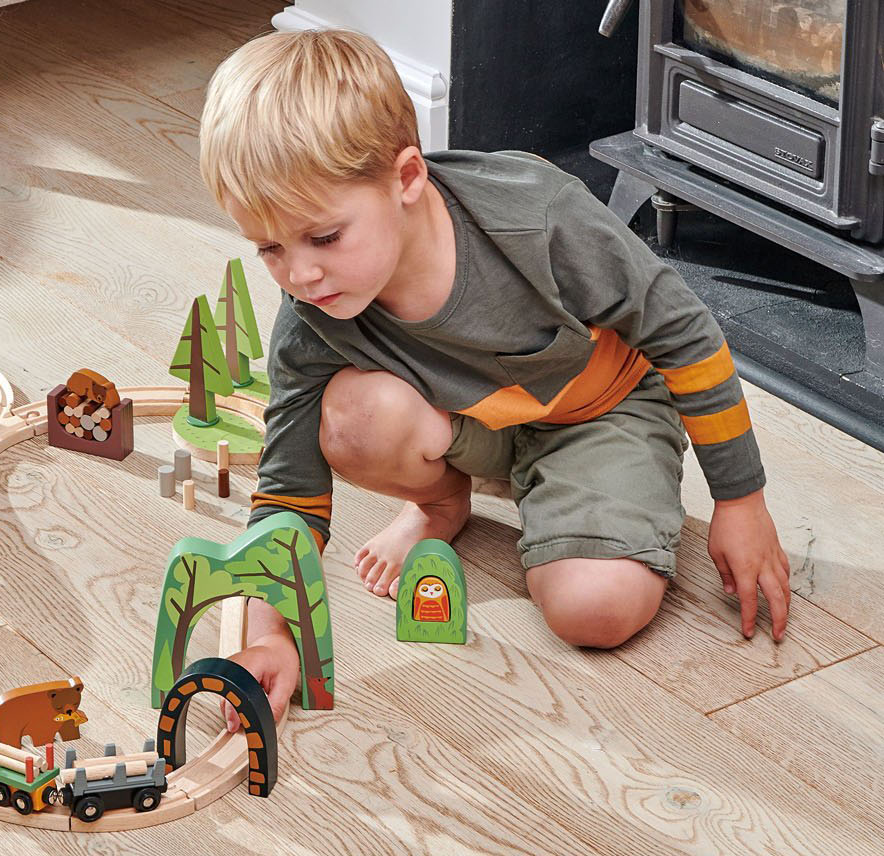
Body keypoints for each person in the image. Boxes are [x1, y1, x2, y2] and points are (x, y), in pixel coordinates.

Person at [197, 29, 793, 729]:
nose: (299, 274)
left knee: (594, 610)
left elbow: (683, 332)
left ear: (407, 178)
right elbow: (289, 493)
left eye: (324, 237)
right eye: (269, 247)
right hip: (471, 429)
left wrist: (740, 498)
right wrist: (269, 632)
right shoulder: (313, 314)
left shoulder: (535, 214)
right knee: (355, 416)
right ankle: (440, 505)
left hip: (602, 412)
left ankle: (579, 501)